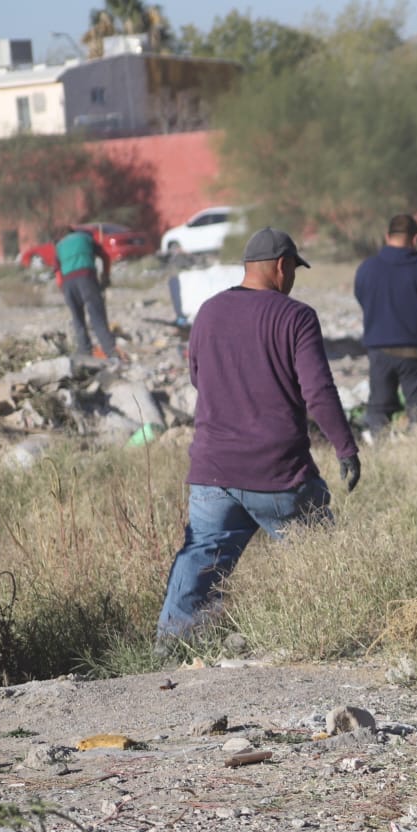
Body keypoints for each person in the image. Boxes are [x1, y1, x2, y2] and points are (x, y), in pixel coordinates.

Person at [155, 228, 361, 645]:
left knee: (199, 558)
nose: (294, 279)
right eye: (294, 270)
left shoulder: (208, 312)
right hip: (279, 474)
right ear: (282, 266)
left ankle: (170, 644)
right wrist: (345, 447)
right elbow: (318, 392)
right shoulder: (296, 317)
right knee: (320, 558)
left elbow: (198, 377)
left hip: (212, 473)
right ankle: (325, 637)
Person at [354, 213, 417, 433]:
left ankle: (379, 448)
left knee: (379, 409)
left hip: (379, 352)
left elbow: (362, 299)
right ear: (415, 238)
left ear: (387, 236)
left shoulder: (366, 269)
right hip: (416, 353)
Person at [53, 226, 121, 368]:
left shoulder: (59, 246)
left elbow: (57, 272)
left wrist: (63, 289)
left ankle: (85, 352)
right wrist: (105, 275)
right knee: (97, 315)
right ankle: (111, 352)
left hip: (67, 283)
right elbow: (105, 256)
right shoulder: (85, 238)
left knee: (77, 318)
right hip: (86, 278)